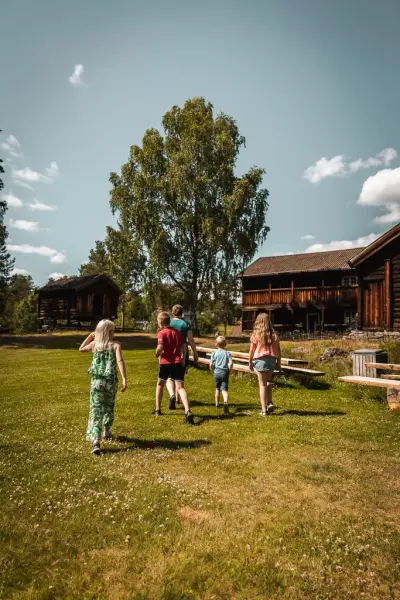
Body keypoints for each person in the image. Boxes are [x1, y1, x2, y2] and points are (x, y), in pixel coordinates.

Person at [79, 320, 127, 455]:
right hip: (110, 382)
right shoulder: (115, 346)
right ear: (108, 332)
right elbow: (120, 362)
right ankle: (106, 431)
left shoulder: (95, 345)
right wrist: (124, 378)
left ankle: (96, 440)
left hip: (96, 383)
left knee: (96, 409)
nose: (114, 333)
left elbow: (81, 348)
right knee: (108, 406)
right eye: (113, 331)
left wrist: (90, 336)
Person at [154, 311, 195, 424]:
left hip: (165, 363)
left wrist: (156, 353)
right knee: (180, 388)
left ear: (161, 322)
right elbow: (183, 347)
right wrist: (182, 358)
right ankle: (188, 410)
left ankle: (157, 409)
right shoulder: (177, 332)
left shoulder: (162, 333)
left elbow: (160, 346)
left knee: (160, 385)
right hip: (177, 363)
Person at [248, 312, 281, 416]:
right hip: (271, 360)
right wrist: (278, 363)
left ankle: (264, 410)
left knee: (262, 384)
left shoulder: (255, 334)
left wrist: (250, 362)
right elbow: (278, 351)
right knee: (268, 381)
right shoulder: (274, 334)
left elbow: (251, 351)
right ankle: (270, 402)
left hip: (260, 360)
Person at [166, 305, 198, 409]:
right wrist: (195, 353)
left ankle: (173, 396)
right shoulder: (186, 324)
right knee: (180, 376)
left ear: (172, 312)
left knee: (170, 376)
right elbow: (190, 340)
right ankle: (179, 399)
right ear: (182, 313)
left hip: (170, 351)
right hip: (182, 352)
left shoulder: (168, 322)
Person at [210, 335, 233, 415]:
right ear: (225, 344)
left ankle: (217, 404)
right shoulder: (227, 353)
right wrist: (230, 370)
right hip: (224, 372)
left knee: (217, 388)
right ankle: (225, 402)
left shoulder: (214, 353)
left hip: (216, 372)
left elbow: (211, 364)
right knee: (224, 389)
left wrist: (212, 371)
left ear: (216, 344)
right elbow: (231, 364)